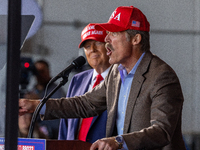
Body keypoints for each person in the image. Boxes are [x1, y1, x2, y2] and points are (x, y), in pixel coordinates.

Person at [19, 6, 186, 150]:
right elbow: (85, 104)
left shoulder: (162, 76)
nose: (106, 40)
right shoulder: (116, 73)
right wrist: (37, 105)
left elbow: (162, 131)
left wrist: (118, 141)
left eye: (113, 34)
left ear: (136, 39)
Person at [58, 23, 111, 143]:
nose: (92, 49)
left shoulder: (121, 80)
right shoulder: (78, 80)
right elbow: (65, 125)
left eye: (98, 43)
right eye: (87, 46)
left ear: (109, 46)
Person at [23, 60, 66, 139]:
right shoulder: (33, 90)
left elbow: (57, 114)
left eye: (42, 71)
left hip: (53, 135)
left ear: (48, 71)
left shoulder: (56, 90)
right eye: (37, 72)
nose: (40, 75)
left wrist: (37, 102)